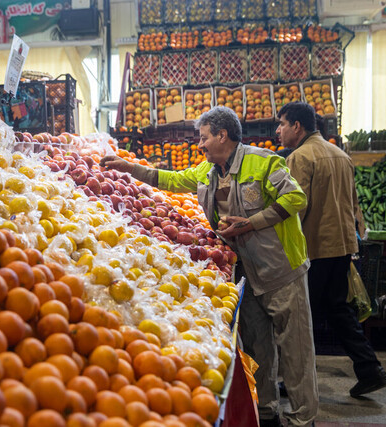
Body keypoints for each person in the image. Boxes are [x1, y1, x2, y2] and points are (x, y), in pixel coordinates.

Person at [101, 106, 318, 427]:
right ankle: (269, 412)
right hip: (246, 271)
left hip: (281, 268)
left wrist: (252, 222)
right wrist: (128, 167)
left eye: (203, 138)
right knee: (259, 348)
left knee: (296, 350)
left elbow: (295, 198)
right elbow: (170, 179)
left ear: (222, 135)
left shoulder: (264, 161)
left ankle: (303, 419)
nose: (200, 145)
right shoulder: (207, 172)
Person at [276, 102, 386, 397]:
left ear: (297, 127)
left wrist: (278, 247)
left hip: (314, 248)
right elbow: (354, 205)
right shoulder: (341, 155)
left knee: (304, 316)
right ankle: (370, 369)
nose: (278, 131)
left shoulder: (300, 157)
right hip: (342, 245)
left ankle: (298, 382)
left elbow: (295, 208)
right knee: (338, 309)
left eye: (282, 124)